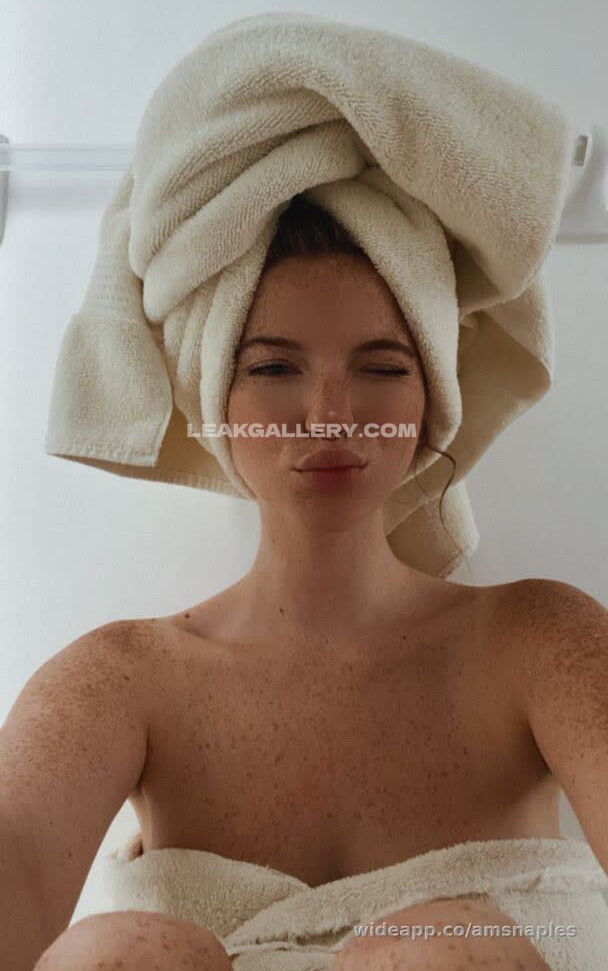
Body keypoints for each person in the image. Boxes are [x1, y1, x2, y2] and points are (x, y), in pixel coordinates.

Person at [3, 198, 606, 971]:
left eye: (382, 368)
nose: (329, 416)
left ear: (430, 402)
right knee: (116, 952)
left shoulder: (539, 643)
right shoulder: (119, 679)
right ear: (217, 400)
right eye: (272, 368)